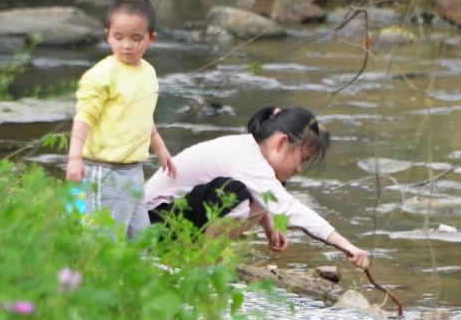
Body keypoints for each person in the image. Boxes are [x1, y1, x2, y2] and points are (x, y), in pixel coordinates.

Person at [145, 106, 369, 269]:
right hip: (154, 224)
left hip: (173, 219)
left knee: (254, 194)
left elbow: (266, 195)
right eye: (301, 159)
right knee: (236, 195)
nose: (300, 169)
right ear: (281, 142)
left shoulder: (253, 154)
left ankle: (205, 263)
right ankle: (206, 269)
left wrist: (269, 226)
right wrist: (346, 245)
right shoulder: (248, 159)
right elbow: (290, 209)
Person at [66, 0, 176, 239]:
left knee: (140, 236)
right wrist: (74, 157)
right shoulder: (102, 75)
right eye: (119, 37)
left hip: (134, 169)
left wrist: (161, 150)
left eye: (136, 38)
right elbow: (84, 118)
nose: (126, 45)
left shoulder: (148, 72)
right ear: (108, 35)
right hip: (103, 170)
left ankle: (136, 276)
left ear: (151, 38)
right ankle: (94, 275)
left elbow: (143, 118)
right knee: (104, 237)